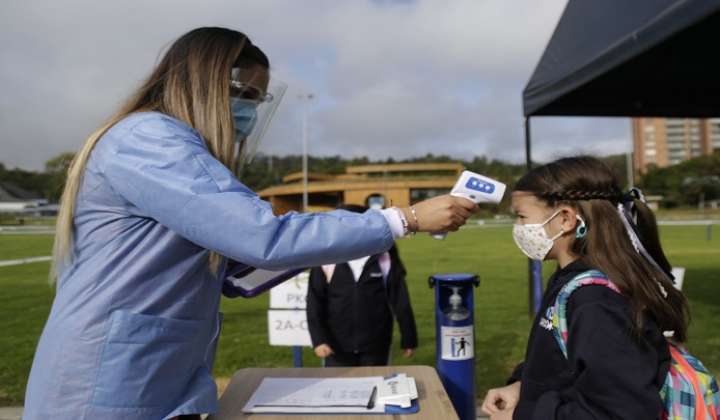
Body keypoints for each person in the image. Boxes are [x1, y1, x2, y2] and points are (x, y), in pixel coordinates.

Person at [23, 27, 478, 420]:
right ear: (200, 84)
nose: (248, 113)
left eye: (256, 100)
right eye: (242, 95)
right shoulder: (149, 139)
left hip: (149, 379)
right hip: (106, 389)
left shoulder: (172, 146)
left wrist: (324, 244)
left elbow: (240, 269)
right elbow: (264, 238)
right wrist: (404, 218)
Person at [481, 156, 688, 420]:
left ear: (566, 219)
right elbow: (565, 364)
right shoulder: (571, 280)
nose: (518, 227)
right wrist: (521, 385)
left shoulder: (596, 302)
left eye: (522, 217)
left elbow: (619, 413)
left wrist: (521, 415)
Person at [306, 204, 417, 367]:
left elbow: (400, 298)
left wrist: (409, 338)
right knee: (339, 390)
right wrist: (319, 340)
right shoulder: (326, 258)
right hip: (335, 346)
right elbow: (314, 302)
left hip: (376, 345)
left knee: (375, 389)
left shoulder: (384, 256)